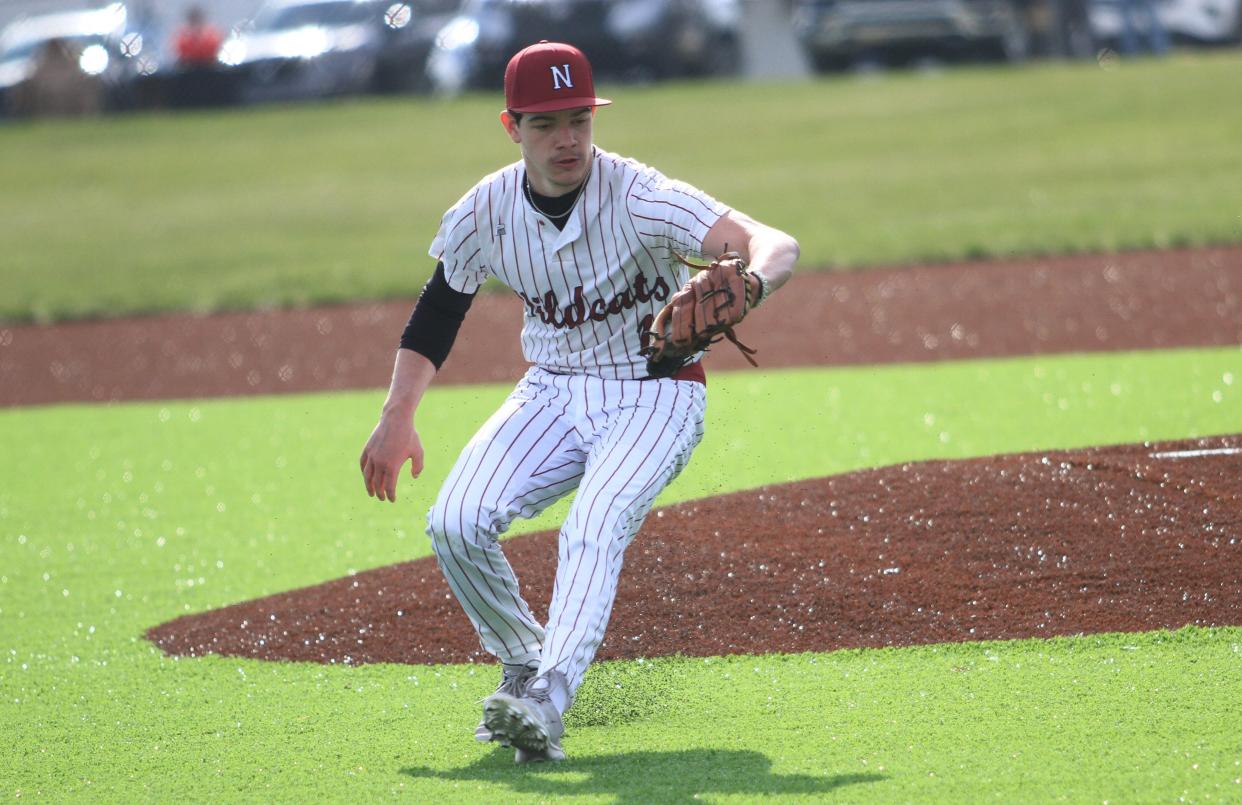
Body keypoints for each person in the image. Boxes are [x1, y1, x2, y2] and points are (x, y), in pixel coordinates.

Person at [358, 40, 799, 763]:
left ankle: (548, 697)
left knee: (595, 520)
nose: (566, 139)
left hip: (656, 392)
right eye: (545, 124)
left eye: (579, 119)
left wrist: (750, 281)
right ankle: (524, 659)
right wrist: (397, 413)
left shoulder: (638, 194)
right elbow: (439, 310)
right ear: (512, 127)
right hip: (553, 390)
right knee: (455, 520)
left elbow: (774, 242)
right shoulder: (486, 210)